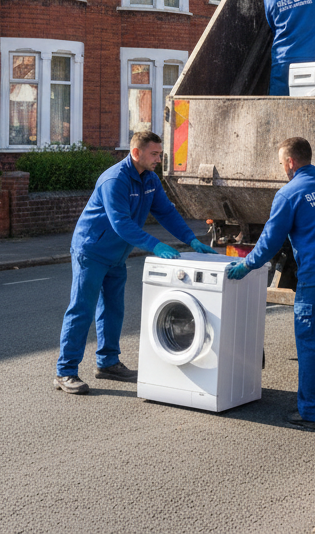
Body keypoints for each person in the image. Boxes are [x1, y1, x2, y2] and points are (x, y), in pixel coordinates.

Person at [225, 137, 315, 429]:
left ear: (290, 162)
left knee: (310, 346)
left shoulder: (288, 194)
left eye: (282, 163)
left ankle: (310, 412)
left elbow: (270, 241)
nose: (282, 167)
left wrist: (247, 265)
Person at [54, 130, 217, 395]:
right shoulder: (114, 180)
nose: (158, 159)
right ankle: (65, 371)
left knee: (113, 309)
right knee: (81, 310)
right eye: (154, 154)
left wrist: (191, 239)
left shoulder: (150, 179)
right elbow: (121, 224)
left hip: (117, 255)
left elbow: (166, 212)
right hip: (92, 251)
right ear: (136, 152)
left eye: (159, 154)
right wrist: (155, 244)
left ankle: (107, 363)